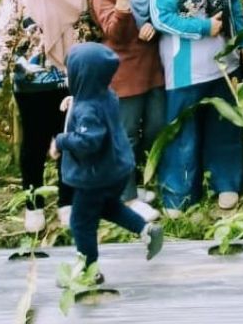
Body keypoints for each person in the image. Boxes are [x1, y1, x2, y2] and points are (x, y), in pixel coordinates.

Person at [0, 0, 97, 232]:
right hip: (31, 83)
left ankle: (67, 201)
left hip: (70, 81)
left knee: (70, 143)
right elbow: (3, 37)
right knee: (34, 144)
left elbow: (92, 31)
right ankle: (33, 203)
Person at [149, 0, 243, 213]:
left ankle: (226, 183)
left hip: (222, 63)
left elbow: (233, 3)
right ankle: (178, 194)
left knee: (225, 125)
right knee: (182, 131)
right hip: (185, 66)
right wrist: (204, 26)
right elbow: (161, 17)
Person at [49, 43, 163, 277]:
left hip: (95, 176)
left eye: (70, 72)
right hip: (115, 170)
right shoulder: (104, 94)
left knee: (81, 223)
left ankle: (89, 271)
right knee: (108, 207)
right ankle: (146, 230)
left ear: (83, 76)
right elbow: (92, 105)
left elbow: (87, 141)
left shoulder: (88, 109)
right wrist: (75, 101)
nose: (67, 75)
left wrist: (61, 141)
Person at [89, 0, 165, 221]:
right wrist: (122, 5)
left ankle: (136, 183)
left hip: (153, 69)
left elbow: (159, 12)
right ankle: (126, 197)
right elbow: (115, 35)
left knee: (158, 127)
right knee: (127, 136)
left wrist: (154, 26)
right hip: (125, 74)